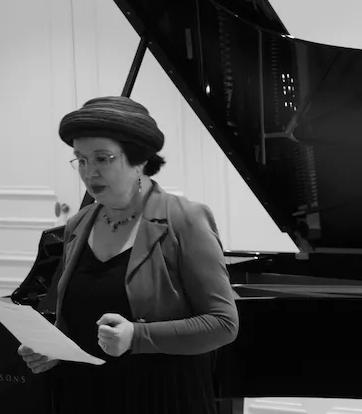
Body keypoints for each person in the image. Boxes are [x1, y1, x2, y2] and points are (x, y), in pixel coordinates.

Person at [17, 96, 239, 414]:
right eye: (80, 160)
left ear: (138, 159)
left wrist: (138, 335)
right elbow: (78, 319)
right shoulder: (79, 224)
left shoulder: (184, 219)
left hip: (162, 396)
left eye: (102, 159)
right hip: (85, 393)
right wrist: (54, 349)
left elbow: (223, 324)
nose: (89, 172)